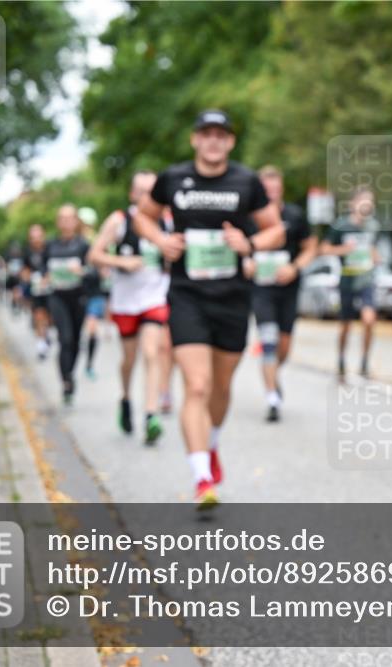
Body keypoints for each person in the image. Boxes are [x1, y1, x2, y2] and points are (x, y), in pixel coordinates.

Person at [134, 109, 284, 509]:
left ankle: (211, 443)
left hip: (233, 296)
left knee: (220, 387)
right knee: (196, 385)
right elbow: (143, 218)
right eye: (206, 133)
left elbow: (276, 229)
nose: (214, 140)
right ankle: (202, 478)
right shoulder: (173, 178)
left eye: (221, 134)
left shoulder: (246, 181)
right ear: (195, 139)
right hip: (187, 295)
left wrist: (250, 244)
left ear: (230, 141)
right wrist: (160, 241)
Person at [88, 171, 171, 445]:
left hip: (155, 298)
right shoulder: (120, 220)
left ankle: (150, 415)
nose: (148, 197)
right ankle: (125, 398)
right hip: (125, 301)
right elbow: (94, 255)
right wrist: (122, 263)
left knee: (152, 352)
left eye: (153, 191)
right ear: (132, 195)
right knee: (129, 359)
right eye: (142, 192)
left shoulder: (168, 222)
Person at [248, 166, 318, 422]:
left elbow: (311, 248)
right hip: (261, 289)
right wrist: (248, 263)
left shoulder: (295, 215)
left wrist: (295, 267)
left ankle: (273, 374)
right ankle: (272, 399)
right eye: (265, 189)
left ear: (282, 189)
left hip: (288, 288)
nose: (271, 193)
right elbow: (240, 248)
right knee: (268, 341)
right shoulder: (249, 217)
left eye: (275, 188)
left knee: (284, 346)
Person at [320, 186, 381, 381]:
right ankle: (341, 361)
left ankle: (364, 362)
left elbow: (373, 250)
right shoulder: (341, 225)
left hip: (366, 279)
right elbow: (325, 249)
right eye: (364, 200)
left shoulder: (374, 226)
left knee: (369, 320)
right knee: (346, 325)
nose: (368, 204)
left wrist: (375, 256)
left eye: (371, 201)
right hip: (347, 279)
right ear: (354, 203)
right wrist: (344, 250)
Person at [45, 205, 91, 405]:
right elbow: (42, 269)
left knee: (75, 341)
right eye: (62, 218)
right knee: (65, 338)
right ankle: (66, 381)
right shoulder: (51, 245)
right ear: (58, 221)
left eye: (69, 218)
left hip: (78, 297)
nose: (65, 222)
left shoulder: (83, 245)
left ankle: (70, 373)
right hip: (57, 296)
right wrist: (44, 277)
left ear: (75, 221)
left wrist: (83, 271)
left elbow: (95, 270)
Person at [78, 206, 107, 381]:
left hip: (95, 292)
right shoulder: (72, 241)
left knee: (92, 328)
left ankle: (89, 364)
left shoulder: (97, 240)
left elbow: (102, 267)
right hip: (78, 292)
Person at [21, 225, 52, 360]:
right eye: (33, 238)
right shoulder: (27, 252)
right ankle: (41, 344)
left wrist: (48, 278)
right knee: (39, 316)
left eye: (38, 237)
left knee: (49, 317)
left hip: (51, 289)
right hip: (36, 289)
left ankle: (46, 335)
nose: (36, 240)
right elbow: (24, 269)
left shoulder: (50, 249)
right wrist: (27, 276)